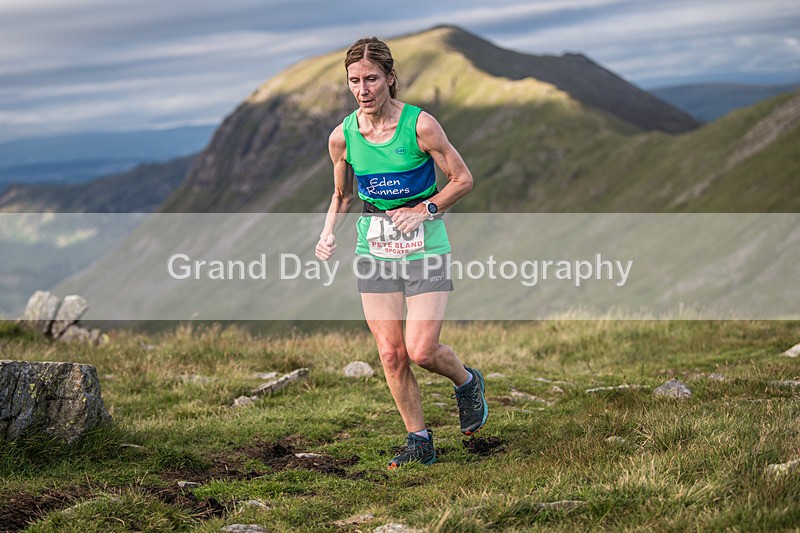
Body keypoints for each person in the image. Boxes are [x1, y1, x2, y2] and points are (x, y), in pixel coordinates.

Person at [315, 36, 487, 470]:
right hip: (374, 247)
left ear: (390, 78)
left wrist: (425, 209)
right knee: (390, 353)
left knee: (421, 349)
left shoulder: (420, 126)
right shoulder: (343, 137)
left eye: (371, 79)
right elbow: (342, 194)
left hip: (425, 245)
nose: (363, 89)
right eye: (354, 81)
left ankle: (467, 383)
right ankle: (419, 440)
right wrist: (327, 233)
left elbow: (462, 179)